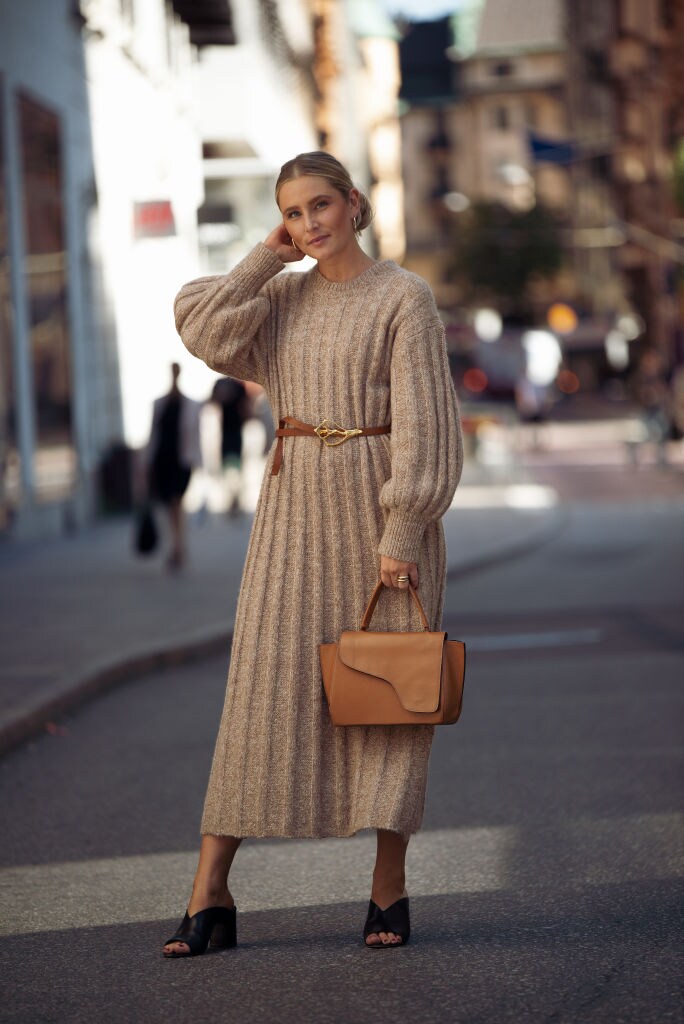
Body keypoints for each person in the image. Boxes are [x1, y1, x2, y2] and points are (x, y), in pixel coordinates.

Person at [163, 151, 463, 956]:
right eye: (293, 213)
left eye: (321, 205)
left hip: (379, 521)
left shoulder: (403, 296)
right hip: (291, 521)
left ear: (355, 202)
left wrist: (401, 532)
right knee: (261, 699)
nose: (310, 224)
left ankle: (388, 890)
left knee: (390, 704)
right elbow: (201, 324)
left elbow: (427, 427)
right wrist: (265, 258)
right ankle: (210, 891)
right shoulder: (281, 297)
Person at [146, 362, 202, 570]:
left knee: (177, 502)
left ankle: (178, 546)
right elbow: (153, 435)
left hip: (182, 461)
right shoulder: (159, 404)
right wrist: (146, 463)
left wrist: (199, 462)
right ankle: (177, 546)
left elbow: (196, 436)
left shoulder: (191, 405)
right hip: (162, 461)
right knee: (170, 505)